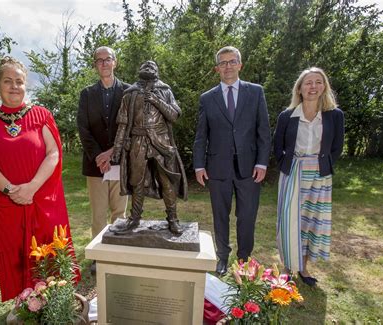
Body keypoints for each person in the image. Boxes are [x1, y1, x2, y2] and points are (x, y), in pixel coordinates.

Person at [0, 57, 80, 302]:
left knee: (51, 250)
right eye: (8, 81)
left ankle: (56, 301)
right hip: (6, 203)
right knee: (16, 256)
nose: (14, 86)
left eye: (19, 81)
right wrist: (11, 190)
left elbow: (54, 153)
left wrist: (31, 187)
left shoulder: (42, 115)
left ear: (25, 85)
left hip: (41, 199)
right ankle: (25, 305)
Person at [193, 46, 271, 276]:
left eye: (232, 61)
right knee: (220, 216)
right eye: (223, 63)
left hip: (250, 169)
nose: (228, 66)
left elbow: (263, 131)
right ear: (217, 68)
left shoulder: (255, 92)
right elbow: (201, 135)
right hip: (217, 168)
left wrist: (262, 162)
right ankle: (223, 257)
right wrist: (199, 165)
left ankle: (244, 260)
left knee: (247, 216)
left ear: (240, 64)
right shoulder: (207, 98)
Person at [274, 67, 344, 286]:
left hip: (320, 174)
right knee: (289, 221)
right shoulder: (287, 116)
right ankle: (287, 267)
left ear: (324, 87)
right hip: (294, 171)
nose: (313, 87)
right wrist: (290, 163)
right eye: (308, 83)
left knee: (312, 222)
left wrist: (321, 164)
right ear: (300, 88)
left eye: (318, 82)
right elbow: (278, 146)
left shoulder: (334, 115)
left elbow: (337, 147)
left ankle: (303, 267)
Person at [111, 60, 187, 234]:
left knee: (166, 181)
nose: (148, 67)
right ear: (139, 70)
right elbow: (122, 124)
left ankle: (173, 219)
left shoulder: (165, 91)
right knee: (136, 181)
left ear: (157, 71)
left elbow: (174, 115)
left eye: (152, 66)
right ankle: (134, 219)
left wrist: (156, 100)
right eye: (144, 65)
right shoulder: (129, 93)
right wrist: (117, 148)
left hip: (161, 141)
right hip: (138, 141)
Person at [77, 46, 130, 273]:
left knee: (120, 212)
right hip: (95, 165)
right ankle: (100, 258)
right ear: (95, 65)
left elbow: (130, 127)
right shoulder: (87, 94)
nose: (104, 63)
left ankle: (118, 254)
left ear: (115, 62)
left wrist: (113, 153)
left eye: (108, 59)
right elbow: (83, 128)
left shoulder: (129, 92)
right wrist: (99, 156)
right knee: (99, 214)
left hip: (121, 162)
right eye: (99, 60)